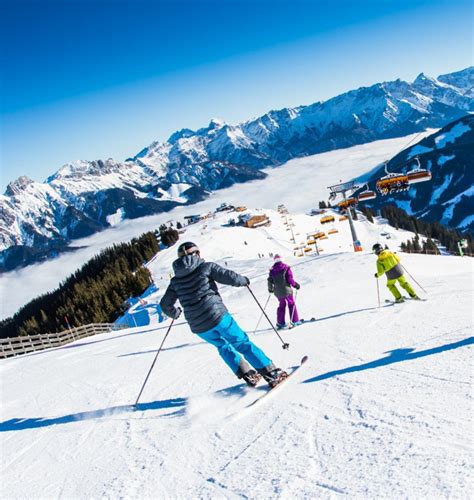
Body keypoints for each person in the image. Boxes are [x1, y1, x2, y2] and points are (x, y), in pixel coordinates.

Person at [160, 242, 287, 387]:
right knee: (241, 343)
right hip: (217, 315)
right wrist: (243, 281)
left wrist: (175, 313)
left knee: (223, 347)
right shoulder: (205, 267)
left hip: (198, 326)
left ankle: (248, 375)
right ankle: (271, 374)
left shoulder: (175, 281)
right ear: (197, 254)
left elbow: (165, 305)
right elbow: (228, 276)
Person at [267, 254, 301, 328]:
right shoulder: (286, 268)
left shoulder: (272, 270)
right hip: (287, 291)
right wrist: (295, 285)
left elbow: (270, 281)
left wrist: (270, 289)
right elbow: (289, 279)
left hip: (278, 292)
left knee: (281, 305)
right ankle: (295, 321)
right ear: (282, 259)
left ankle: (280, 323)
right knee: (291, 304)